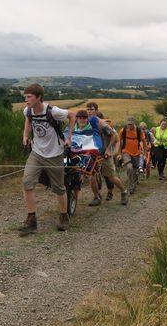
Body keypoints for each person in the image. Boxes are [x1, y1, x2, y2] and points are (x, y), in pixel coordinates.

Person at [20, 83, 75, 236]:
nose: (26, 100)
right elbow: (27, 120)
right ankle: (32, 220)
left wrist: (69, 137)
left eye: (29, 97)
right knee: (27, 182)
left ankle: (64, 216)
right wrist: (25, 135)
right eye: (25, 97)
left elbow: (73, 115)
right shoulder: (28, 111)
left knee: (59, 188)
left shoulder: (53, 111)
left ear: (39, 97)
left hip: (54, 154)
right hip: (36, 153)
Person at [88, 110, 129, 206]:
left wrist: (109, 150)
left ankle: (124, 192)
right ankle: (97, 197)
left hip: (104, 154)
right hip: (93, 154)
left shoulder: (104, 126)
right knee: (91, 177)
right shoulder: (87, 124)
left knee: (111, 177)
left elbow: (115, 136)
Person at [117, 116, 146, 195]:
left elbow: (144, 142)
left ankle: (133, 184)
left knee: (135, 170)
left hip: (136, 152)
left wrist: (145, 154)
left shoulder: (139, 131)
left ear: (134, 123)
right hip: (126, 152)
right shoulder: (123, 131)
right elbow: (119, 142)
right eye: (128, 124)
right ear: (126, 123)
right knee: (129, 167)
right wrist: (119, 154)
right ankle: (130, 187)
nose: (129, 126)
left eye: (131, 124)